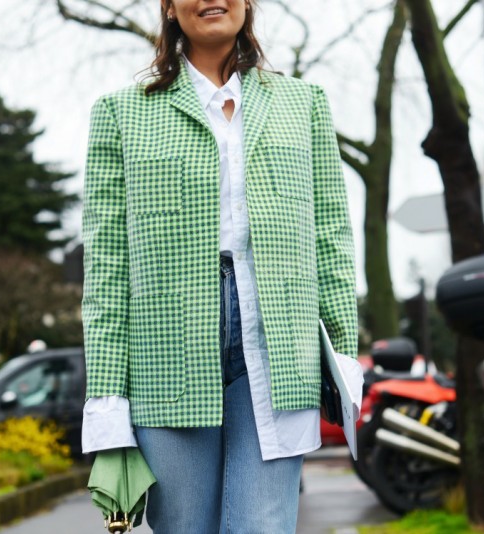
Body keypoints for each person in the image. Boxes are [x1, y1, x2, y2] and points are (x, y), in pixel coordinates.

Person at [81, 0, 361, 531]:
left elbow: (332, 238)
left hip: (280, 350)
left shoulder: (303, 104)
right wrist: (108, 398)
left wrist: (343, 355)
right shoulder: (122, 112)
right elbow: (108, 270)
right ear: (169, 8)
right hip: (166, 357)